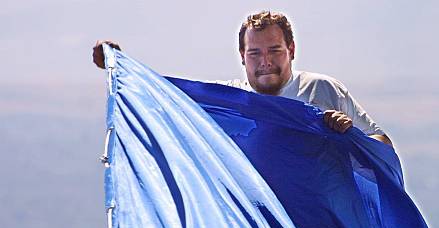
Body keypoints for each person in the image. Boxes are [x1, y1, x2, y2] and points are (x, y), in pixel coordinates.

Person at [92, 11, 392, 147]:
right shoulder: (229, 103)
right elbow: (162, 99)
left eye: (275, 50)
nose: (265, 62)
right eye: (254, 53)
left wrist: (348, 133)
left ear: (291, 50)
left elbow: (382, 144)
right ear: (241, 55)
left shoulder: (321, 89)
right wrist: (120, 67)